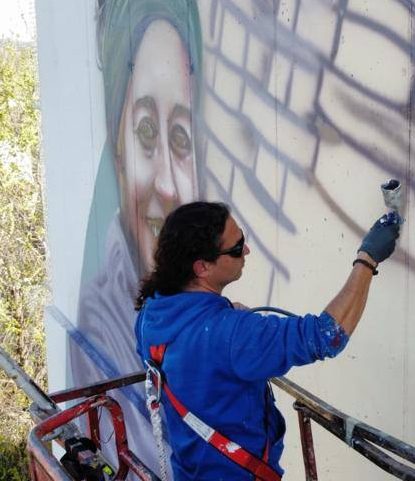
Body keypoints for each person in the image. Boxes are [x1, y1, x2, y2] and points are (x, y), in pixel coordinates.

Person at [70, 0, 203, 471]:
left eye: (180, 135)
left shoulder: (198, 288)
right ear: (118, 149)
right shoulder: (100, 336)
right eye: (147, 130)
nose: (171, 183)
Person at [134, 201, 401, 479]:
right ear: (202, 267)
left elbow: (196, 355)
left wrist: (223, 317)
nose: (246, 250)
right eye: (236, 248)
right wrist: (367, 259)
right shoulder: (234, 335)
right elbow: (328, 334)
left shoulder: (152, 313)